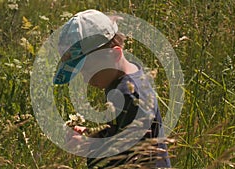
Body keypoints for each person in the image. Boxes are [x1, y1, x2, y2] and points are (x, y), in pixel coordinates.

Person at [53, 9, 171, 168]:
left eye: (89, 70)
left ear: (115, 55)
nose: (86, 79)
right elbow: (122, 132)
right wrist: (93, 135)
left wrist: (89, 147)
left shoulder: (130, 94)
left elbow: (133, 156)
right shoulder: (125, 82)